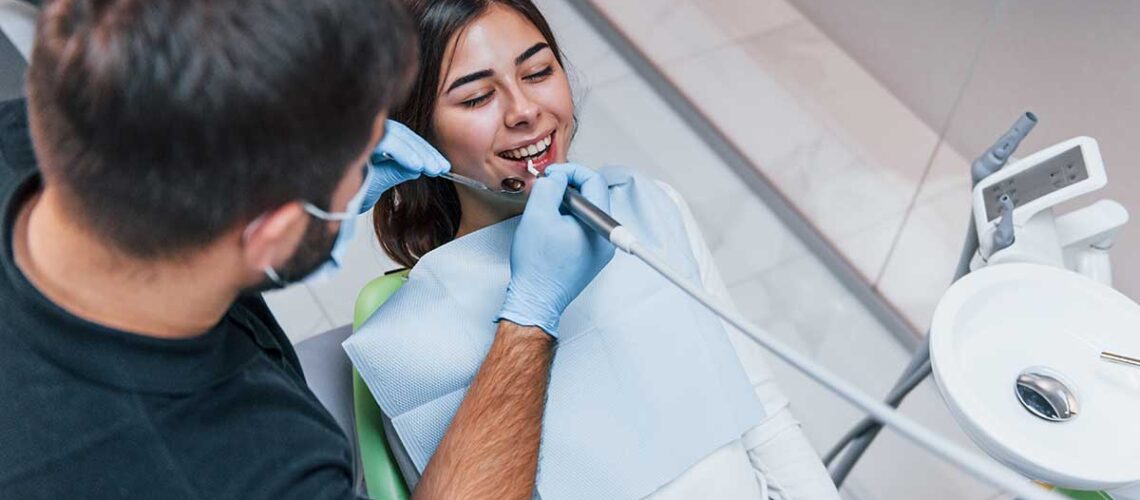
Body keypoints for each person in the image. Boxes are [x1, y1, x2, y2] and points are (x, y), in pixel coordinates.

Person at [0, 0, 613, 498]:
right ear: (271, 230)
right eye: (357, 158)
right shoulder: (250, 467)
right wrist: (529, 319)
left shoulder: (36, 131)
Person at [346, 0, 841, 498]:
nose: (524, 111)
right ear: (417, 133)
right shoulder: (412, 336)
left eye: (538, 71)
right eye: (477, 98)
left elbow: (765, 422)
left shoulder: (650, 212)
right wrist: (532, 308)